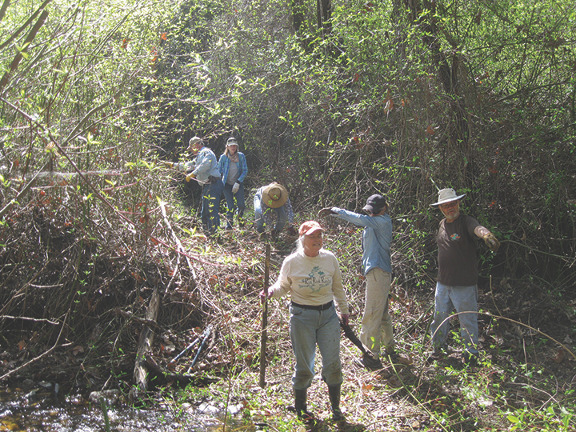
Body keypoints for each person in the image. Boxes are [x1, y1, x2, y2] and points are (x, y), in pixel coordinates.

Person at [262, 221, 350, 423]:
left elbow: (337, 287)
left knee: (333, 364)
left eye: (319, 236)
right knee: (304, 366)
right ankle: (301, 408)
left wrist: (343, 310)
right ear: (302, 239)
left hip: (328, 315)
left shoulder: (330, 259)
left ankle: (336, 408)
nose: (317, 240)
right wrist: (270, 292)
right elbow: (282, 286)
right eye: (312, 236)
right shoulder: (292, 261)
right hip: (302, 316)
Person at [319, 194, 397, 370]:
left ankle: (371, 355)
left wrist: (335, 211)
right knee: (382, 314)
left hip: (379, 271)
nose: (372, 214)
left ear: (384, 208)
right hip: (377, 272)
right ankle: (390, 349)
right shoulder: (373, 220)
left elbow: (359, 219)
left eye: (375, 211)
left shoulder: (382, 221)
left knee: (371, 315)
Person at [428, 188, 500, 365]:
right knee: (439, 317)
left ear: (458, 203)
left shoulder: (466, 221)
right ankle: (438, 349)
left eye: (452, 203)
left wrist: (487, 236)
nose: (449, 207)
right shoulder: (442, 224)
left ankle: (471, 354)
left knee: (467, 319)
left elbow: (477, 228)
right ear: (441, 208)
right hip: (443, 283)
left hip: (464, 284)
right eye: (445, 205)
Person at [167, 136, 223, 235]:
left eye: (192, 147)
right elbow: (188, 165)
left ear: (196, 145)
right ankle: (208, 233)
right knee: (204, 212)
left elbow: (205, 165)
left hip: (213, 184)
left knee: (211, 209)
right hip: (207, 185)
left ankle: (215, 234)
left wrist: (193, 174)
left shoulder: (206, 152)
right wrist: (172, 165)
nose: (191, 150)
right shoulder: (199, 156)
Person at [218, 137, 248, 229]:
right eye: (231, 146)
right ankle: (229, 226)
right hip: (226, 184)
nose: (233, 147)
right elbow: (218, 170)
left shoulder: (241, 156)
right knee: (230, 206)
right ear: (227, 147)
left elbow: (245, 170)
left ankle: (240, 220)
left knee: (241, 205)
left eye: (234, 145)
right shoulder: (223, 157)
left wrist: (238, 182)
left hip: (238, 183)